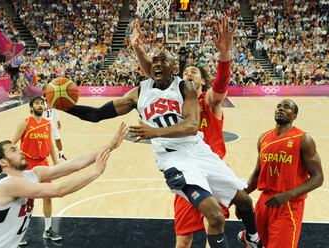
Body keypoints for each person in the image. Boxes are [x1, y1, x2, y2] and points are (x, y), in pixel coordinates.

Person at [64, 49, 262, 248]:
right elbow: (97, 114)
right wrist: (66, 107)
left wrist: (155, 132)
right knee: (215, 217)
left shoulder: (186, 88)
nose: (157, 64)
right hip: (174, 160)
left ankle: (252, 238)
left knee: (244, 200)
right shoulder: (139, 93)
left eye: (163, 61)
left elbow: (192, 126)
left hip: (199, 151)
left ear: (173, 68)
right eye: (154, 61)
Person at [131, 18, 233, 248]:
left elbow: (220, 87)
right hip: (186, 175)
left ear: (203, 81)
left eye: (194, 72)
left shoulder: (208, 101)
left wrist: (224, 56)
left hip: (209, 173)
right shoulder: (174, 101)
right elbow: (153, 73)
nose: (189, 74)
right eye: (186, 70)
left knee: (213, 226)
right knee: (183, 238)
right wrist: (138, 48)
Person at [0, 123, 127, 248]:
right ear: (3, 162)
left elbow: (75, 165)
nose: (21, 151)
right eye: (13, 150)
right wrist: (95, 173)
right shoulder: (8, 184)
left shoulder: (33, 174)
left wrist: (110, 146)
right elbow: (58, 190)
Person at [238, 99, 324, 248]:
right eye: (278, 106)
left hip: (288, 205)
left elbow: (318, 177)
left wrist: (287, 195)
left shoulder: (303, 139)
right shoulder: (264, 138)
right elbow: (258, 173)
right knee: (255, 245)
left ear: (294, 116)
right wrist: (242, 198)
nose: (281, 109)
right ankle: (248, 237)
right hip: (264, 203)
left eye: (286, 107)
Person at [12, 96, 60, 243]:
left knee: (48, 196)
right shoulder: (25, 122)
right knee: (24, 200)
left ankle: (47, 230)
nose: (40, 105)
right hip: (27, 165)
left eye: (42, 103)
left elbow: (50, 144)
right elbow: (12, 143)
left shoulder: (47, 123)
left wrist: (56, 162)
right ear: (31, 107)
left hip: (43, 164)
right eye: (37, 103)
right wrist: (14, 164)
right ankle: (16, 235)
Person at [42, 91, 67, 160]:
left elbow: (55, 110)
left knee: (58, 138)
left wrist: (58, 120)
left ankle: (61, 154)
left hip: (51, 122)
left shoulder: (51, 100)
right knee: (44, 140)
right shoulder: (40, 101)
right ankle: (42, 156)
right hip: (43, 123)